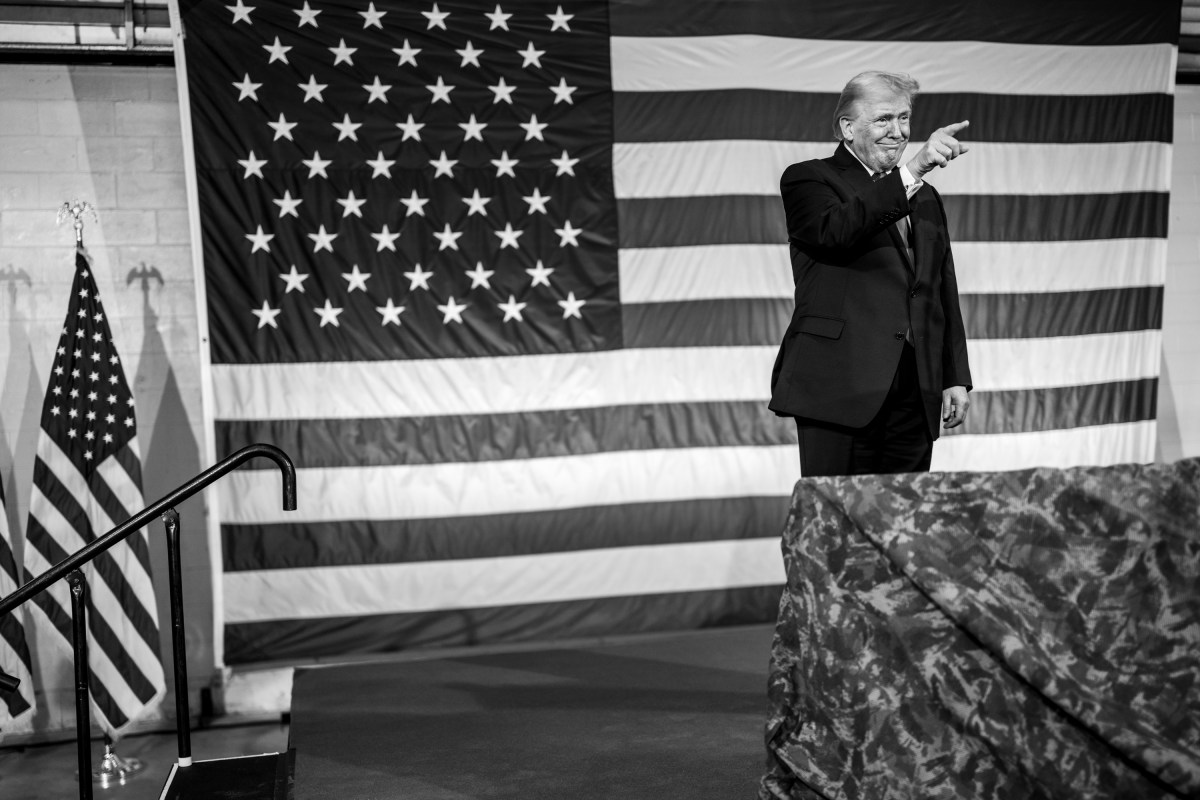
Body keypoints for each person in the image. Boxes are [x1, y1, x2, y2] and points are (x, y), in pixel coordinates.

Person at [768, 70, 973, 476]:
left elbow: (939, 288)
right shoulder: (809, 178)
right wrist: (912, 172)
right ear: (848, 127)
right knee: (837, 524)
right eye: (883, 119)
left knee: (904, 525)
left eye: (904, 118)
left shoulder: (925, 197)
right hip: (839, 387)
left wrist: (954, 375)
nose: (898, 132)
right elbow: (838, 230)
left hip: (915, 390)